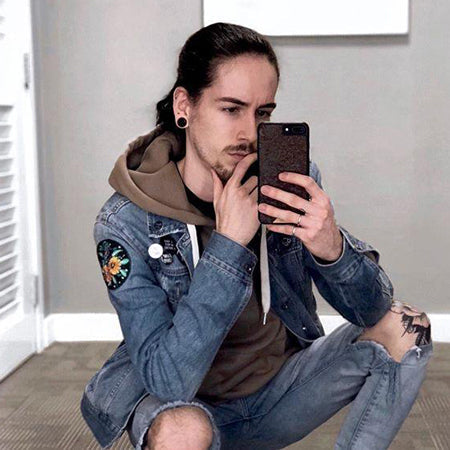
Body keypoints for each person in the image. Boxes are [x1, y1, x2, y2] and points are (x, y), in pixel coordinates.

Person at [80, 22, 432, 450]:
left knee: (407, 327)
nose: (250, 134)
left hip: (279, 395)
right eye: (231, 109)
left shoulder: (286, 184)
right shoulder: (126, 222)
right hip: (189, 408)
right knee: (183, 432)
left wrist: (331, 248)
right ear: (184, 105)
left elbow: (372, 309)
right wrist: (228, 247)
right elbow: (168, 381)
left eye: (262, 113)